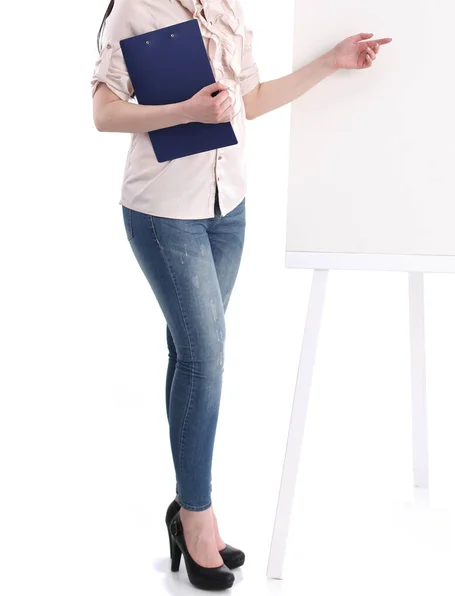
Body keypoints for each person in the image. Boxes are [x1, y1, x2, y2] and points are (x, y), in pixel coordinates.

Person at [91, 0, 392, 590]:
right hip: (163, 213)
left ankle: (185, 510)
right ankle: (199, 518)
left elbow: (249, 102)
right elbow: (102, 113)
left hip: (228, 209)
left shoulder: (224, 4)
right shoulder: (134, 8)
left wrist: (330, 62)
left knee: (191, 355)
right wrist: (185, 110)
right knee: (206, 358)